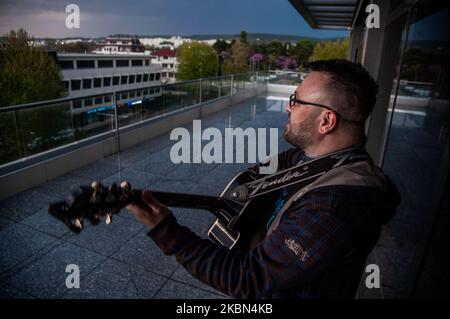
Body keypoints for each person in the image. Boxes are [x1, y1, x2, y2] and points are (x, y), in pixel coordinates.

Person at [127, 59, 400, 299]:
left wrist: (166, 231)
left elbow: (248, 279)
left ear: (326, 121)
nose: (287, 108)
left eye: (296, 100)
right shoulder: (310, 157)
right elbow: (260, 177)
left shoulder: (335, 206)